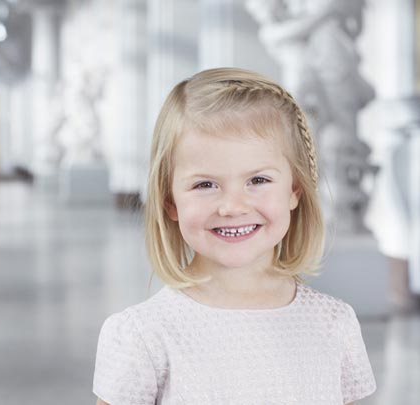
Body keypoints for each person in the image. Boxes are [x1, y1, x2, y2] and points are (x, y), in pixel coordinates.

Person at [92, 67, 376, 404]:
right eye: (205, 184)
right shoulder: (143, 336)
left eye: (258, 180)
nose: (232, 206)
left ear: (295, 190)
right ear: (170, 201)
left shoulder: (334, 324)